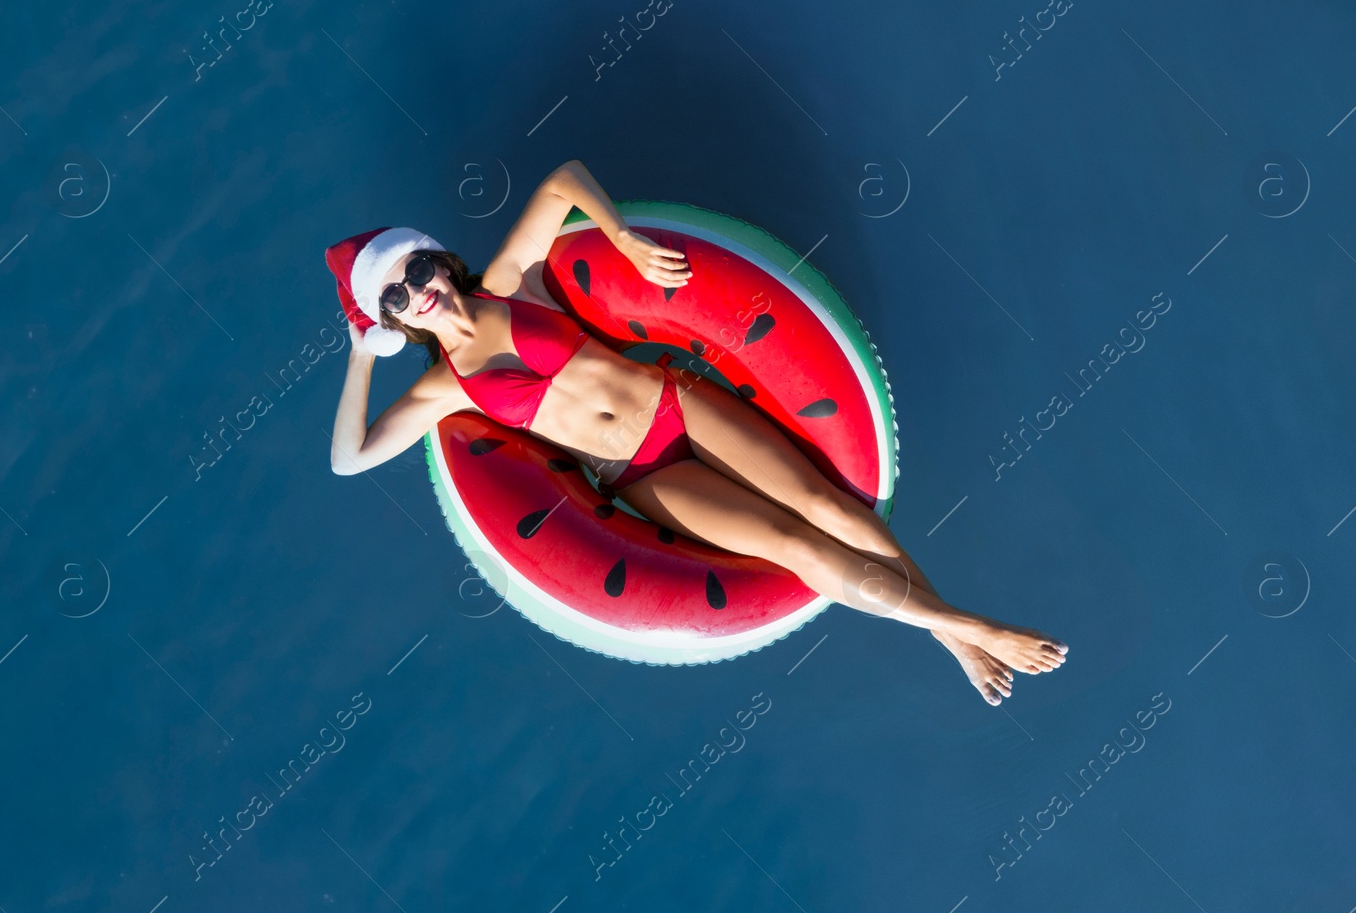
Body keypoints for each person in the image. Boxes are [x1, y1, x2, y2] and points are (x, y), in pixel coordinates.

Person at [327, 159, 1066, 704]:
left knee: (830, 507)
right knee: (794, 545)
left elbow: (564, 180)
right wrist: (362, 351)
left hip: (678, 403)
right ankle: (967, 629)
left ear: (439, 260)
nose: (417, 291)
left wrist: (621, 238)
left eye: (417, 268)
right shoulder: (442, 387)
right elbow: (350, 459)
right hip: (643, 477)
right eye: (395, 297)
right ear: (393, 319)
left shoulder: (508, 282)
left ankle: (945, 629)